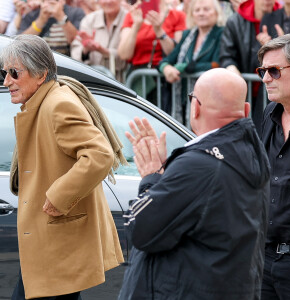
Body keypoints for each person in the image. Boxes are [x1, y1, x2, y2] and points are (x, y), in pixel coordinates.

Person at [118, 68, 270, 299]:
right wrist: (167, 172)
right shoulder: (249, 154)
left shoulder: (200, 165)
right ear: (246, 110)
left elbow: (141, 230)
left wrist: (151, 177)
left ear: (196, 106)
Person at [0, 34, 125, 300]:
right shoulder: (43, 102)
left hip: (55, 244)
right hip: (47, 244)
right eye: (5, 73)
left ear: (41, 73)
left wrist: (59, 197)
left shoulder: (58, 104)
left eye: (14, 73)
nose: (7, 81)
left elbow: (99, 154)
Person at [257, 32, 290, 299]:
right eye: (262, 70)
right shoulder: (268, 115)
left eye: (274, 71)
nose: (264, 79)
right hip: (265, 258)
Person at [219, 0, 281, 134]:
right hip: (243, 93)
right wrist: (231, 68)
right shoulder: (235, 21)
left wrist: (275, 48)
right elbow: (226, 55)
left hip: (273, 95)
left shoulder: (284, 18)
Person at [158, 0, 224, 123]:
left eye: (206, 9)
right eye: (197, 10)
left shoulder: (222, 33)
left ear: (216, 12)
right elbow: (167, 60)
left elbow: (216, 64)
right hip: (185, 98)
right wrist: (166, 68)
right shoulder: (188, 35)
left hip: (210, 99)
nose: (201, 13)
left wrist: (186, 68)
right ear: (192, 14)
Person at [117, 0, 186, 102]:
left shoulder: (177, 16)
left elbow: (177, 54)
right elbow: (124, 54)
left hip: (166, 79)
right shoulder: (132, 15)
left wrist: (159, 30)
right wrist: (136, 26)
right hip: (139, 79)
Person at [71, 0, 127, 82]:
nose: (108, 2)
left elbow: (129, 57)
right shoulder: (89, 20)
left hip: (123, 82)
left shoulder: (129, 18)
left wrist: (105, 52)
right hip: (92, 81)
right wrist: (85, 50)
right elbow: (75, 53)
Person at [18, 0, 85, 56]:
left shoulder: (76, 13)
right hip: (37, 61)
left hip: (66, 62)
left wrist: (61, 17)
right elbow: (20, 43)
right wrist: (41, 20)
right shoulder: (32, 14)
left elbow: (77, 41)